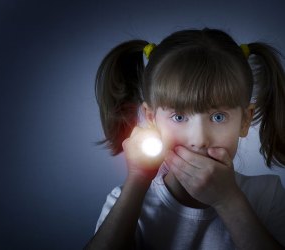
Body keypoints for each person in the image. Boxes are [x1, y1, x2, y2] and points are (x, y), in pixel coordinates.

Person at [85, 28, 285, 250]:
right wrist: (138, 179)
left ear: (245, 121)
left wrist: (227, 200)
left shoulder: (268, 195)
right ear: (152, 119)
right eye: (179, 116)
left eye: (218, 117)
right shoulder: (127, 201)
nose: (199, 140)